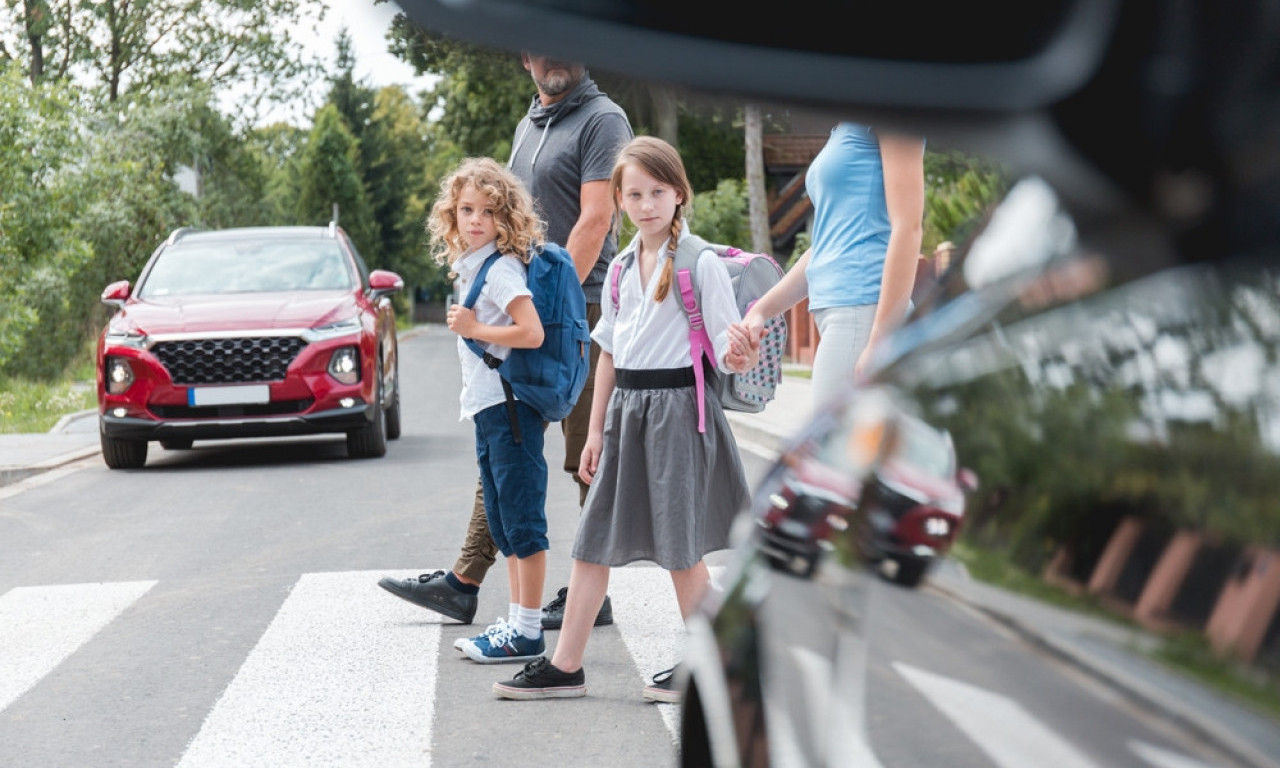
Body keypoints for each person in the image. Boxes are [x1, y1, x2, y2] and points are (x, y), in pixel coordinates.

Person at [493, 136, 760, 701]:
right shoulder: (617, 269)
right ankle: (566, 666)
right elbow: (608, 354)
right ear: (618, 199)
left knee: (680, 551)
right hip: (626, 414)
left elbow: (726, 349)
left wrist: (740, 350)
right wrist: (595, 431)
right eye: (634, 194)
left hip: (680, 414)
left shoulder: (700, 262)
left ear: (679, 193)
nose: (646, 204)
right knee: (592, 543)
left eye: (657, 192)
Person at [378, 53, 632, 631]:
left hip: (578, 310)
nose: (554, 57)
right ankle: (464, 581)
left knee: (584, 456)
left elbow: (595, 219)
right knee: (506, 441)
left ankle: (591, 589)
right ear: (524, 57)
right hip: (529, 306)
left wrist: (547, 306)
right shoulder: (530, 125)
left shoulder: (603, 120)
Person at [427, 156, 549, 664]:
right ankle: (519, 622)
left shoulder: (500, 270)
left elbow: (532, 332)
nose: (475, 220)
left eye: (488, 211)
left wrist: (476, 329)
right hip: (490, 410)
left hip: (510, 410)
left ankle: (527, 629)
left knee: (522, 524)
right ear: (451, 216)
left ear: (506, 218)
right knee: (503, 523)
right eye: (466, 210)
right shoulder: (474, 265)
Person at [740, 122, 924, 408]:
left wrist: (880, 339)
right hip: (847, 316)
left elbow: (909, 227)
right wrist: (762, 310)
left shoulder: (891, 111)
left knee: (828, 447)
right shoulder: (845, 125)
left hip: (863, 313)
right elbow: (824, 247)